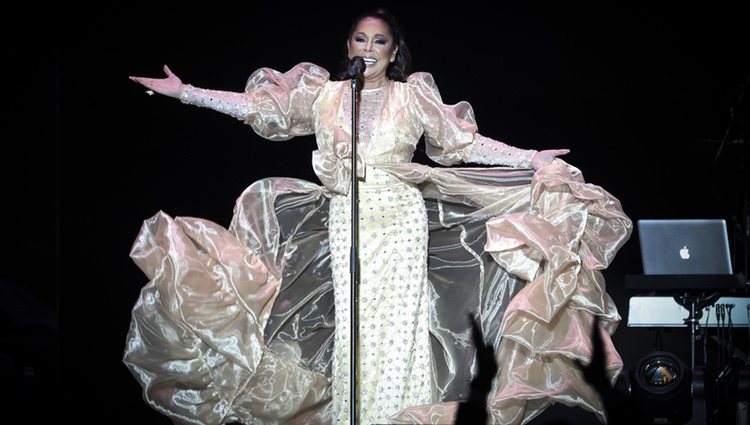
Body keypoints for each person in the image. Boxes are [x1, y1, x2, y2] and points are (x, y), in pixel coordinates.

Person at [124, 8, 632, 425]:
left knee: (400, 329)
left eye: (379, 42)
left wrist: (530, 159)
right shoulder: (324, 96)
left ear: (394, 52)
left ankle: (398, 415)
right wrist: (187, 92)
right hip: (346, 219)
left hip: (399, 221)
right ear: (348, 47)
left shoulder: (411, 96)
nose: (367, 49)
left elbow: (465, 143)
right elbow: (258, 108)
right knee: (353, 329)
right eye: (360, 40)